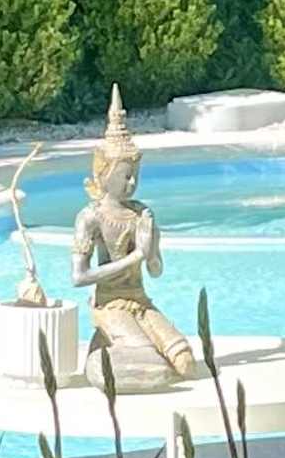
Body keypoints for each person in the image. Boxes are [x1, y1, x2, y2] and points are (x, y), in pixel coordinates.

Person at [66, 94, 202, 390]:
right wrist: (135, 257)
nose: (131, 183)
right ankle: (101, 358)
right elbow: (79, 277)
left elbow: (155, 270)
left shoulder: (142, 214)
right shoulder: (91, 218)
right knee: (152, 367)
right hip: (109, 303)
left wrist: (150, 249)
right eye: (126, 176)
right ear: (104, 176)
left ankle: (105, 348)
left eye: (135, 176)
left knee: (186, 364)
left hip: (141, 300)